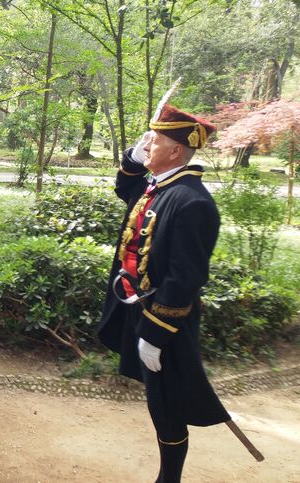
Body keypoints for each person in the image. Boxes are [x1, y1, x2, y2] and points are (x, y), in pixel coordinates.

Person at [97, 104, 229, 483]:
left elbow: (184, 279)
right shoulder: (161, 187)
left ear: (175, 151)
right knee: (159, 398)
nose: (147, 145)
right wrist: (132, 158)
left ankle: (168, 479)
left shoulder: (193, 202)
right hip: (141, 308)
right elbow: (126, 187)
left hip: (166, 320)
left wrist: (154, 335)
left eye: (153, 141)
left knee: (168, 402)